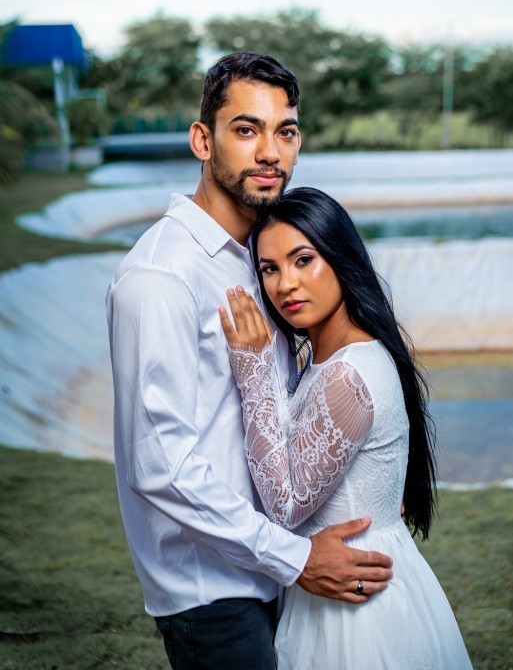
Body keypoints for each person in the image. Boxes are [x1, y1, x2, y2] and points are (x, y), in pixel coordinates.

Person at [106, 53, 393, 670]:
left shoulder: (261, 257)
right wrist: (295, 557)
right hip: (212, 591)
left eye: (285, 132)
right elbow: (160, 466)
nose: (270, 152)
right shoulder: (160, 276)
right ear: (202, 140)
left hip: (274, 569)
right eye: (246, 129)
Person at [220, 186, 473, 669]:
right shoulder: (328, 359)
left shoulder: (349, 373)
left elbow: (286, 506)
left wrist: (253, 372)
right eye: (269, 268)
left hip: (355, 605)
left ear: (340, 258)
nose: (285, 285)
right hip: (338, 579)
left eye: (303, 260)